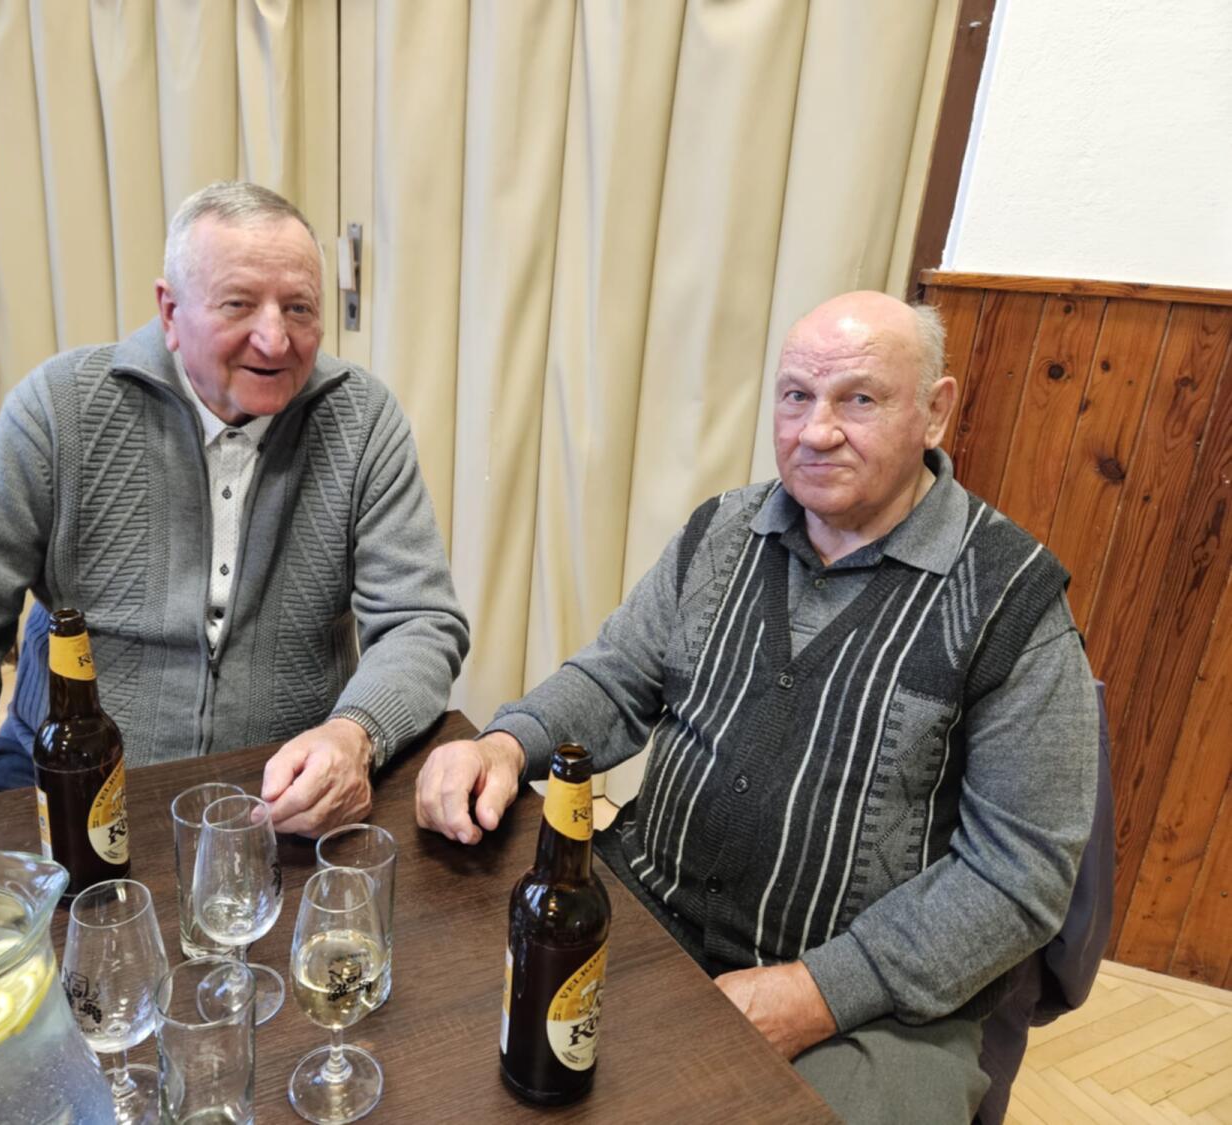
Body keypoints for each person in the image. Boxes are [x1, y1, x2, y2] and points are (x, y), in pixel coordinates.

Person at [415, 291, 1096, 1122]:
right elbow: (614, 678)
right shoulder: (723, 531)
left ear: (935, 411)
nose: (816, 430)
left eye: (859, 399)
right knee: (453, 1036)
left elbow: (1020, 873)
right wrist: (504, 744)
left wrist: (816, 991)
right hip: (646, 907)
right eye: (796, 396)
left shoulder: (1011, 601)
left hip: (870, 1004)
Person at [0, 181, 468, 836]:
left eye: (299, 308)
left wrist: (355, 734)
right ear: (169, 311)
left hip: (281, 786)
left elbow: (421, 621)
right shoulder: (60, 410)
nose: (275, 339)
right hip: (66, 773)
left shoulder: (363, 421)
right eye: (239, 304)